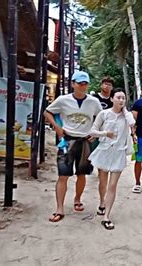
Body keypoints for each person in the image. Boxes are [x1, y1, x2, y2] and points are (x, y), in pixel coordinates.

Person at [44, 71, 102, 222]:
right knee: (63, 175)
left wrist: (95, 134)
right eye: (79, 83)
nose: (83, 86)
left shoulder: (93, 102)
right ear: (73, 84)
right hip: (68, 140)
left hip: (85, 141)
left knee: (82, 174)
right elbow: (47, 112)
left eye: (85, 83)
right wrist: (57, 127)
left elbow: (102, 118)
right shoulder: (63, 100)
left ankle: (77, 199)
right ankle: (59, 208)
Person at [88, 88, 135, 230]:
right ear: (112, 99)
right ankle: (102, 202)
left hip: (119, 153)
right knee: (103, 182)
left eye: (123, 98)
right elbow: (92, 131)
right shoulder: (104, 114)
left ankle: (106, 216)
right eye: (118, 97)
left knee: (113, 185)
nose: (121, 100)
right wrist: (105, 134)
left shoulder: (127, 116)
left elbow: (132, 123)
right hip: (104, 151)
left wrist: (125, 110)